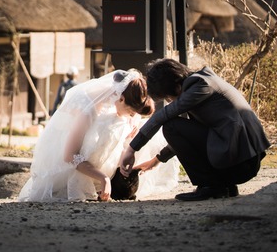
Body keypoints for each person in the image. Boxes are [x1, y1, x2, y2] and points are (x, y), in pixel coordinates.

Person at [118, 58, 270, 202]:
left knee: (171, 126)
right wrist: (157, 160)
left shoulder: (201, 85)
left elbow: (163, 116)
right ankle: (224, 185)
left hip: (243, 164)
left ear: (177, 86)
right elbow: (192, 136)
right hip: (241, 159)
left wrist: (132, 149)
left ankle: (210, 186)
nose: (171, 101)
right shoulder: (204, 79)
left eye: (169, 98)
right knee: (177, 127)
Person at [19, 69, 180, 202]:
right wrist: (103, 178)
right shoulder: (87, 111)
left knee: (136, 131)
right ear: (121, 99)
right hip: (67, 163)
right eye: (131, 112)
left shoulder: (118, 101)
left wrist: (128, 140)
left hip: (99, 162)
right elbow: (69, 155)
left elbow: (122, 130)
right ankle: (96, 181)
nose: (131, 116)